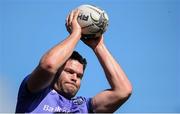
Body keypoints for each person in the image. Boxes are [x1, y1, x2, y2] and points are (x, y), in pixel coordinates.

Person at [16, 10, 132, 113]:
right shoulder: (35, 93)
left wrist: (98, 47)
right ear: (56, 73)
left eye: (79, 76)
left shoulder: (82, 108)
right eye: (69, 71)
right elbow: (49, 65)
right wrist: (76, 34)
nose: (74, 78)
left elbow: (123, 91)